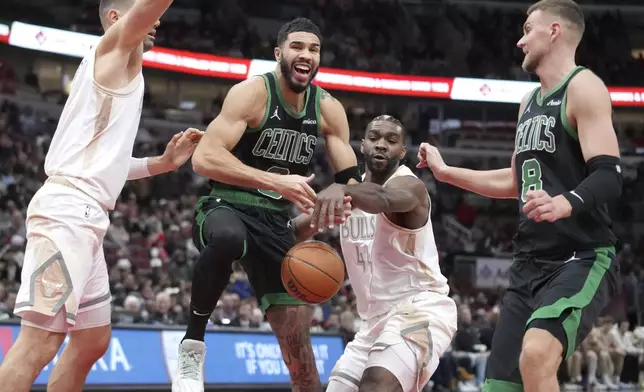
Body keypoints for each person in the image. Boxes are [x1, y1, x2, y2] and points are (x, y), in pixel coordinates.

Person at [417, 1, 622, 391]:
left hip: (579, 255)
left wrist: (566, 202)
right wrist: (446, 173)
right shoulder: (528, 102)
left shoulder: (584, 87)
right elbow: (514, 181)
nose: (519, 40)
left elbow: (609, 175)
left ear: (555, 31)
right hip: (529, 263)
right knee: (499, 385)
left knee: (537, 355)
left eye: (529, 29)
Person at [0, 1, 203, 391]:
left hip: (86, 216)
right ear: (116, 19)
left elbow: (103, 161)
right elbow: (145, 11)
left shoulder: (122, 75)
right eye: (147, 15)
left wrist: (159, 163)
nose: (157, 21)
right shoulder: (112, 54)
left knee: (93, 340)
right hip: (68, 214)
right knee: (38, 342)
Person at [172, 17, 360, 392]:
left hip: (277, 223)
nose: (305, 55)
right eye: (297, 47)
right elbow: (204, 159)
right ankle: (192, 344)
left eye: (314, 49)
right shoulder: (252, 93)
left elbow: (350, 179)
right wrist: (276, 181)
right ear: (279, 54)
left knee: (301, 358)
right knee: (227, 238)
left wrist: (344, 195)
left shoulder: (328, 108)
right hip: (227, 203)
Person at [296, 115, 457, 392]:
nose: (381, 145)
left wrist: (344, 188)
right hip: (372, 323)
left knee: (377, 385)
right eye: (374, 138)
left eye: (391, 140)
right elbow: (294, 232)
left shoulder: (411, 187)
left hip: (420, 309)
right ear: (363, 145)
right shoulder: (348, 195)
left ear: (402, 152)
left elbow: (383, 199)